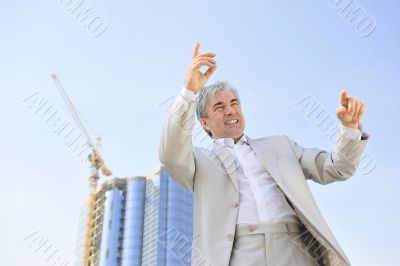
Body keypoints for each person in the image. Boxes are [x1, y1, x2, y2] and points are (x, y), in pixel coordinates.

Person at [158, 43, 369, 266]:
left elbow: (336, 168)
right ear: (205, 123)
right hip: (239, 253)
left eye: (234, 103)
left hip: (295, 247)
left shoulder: (280, 145)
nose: (230, 110)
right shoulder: (198, 161)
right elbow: (170, 153)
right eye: (219, 107)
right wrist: (189, 91)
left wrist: (349, 127)